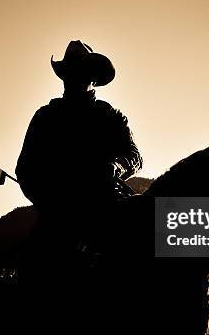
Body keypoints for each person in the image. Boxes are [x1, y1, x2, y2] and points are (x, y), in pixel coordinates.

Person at [16, 40, 142, 215]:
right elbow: (25, 170)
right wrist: (52, 202)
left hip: (107, 204)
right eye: (71, 70)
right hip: (59, 214)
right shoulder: (45, 117)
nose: (75, 76)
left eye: (81, 70)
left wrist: (115, 167)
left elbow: (134, 157)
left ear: (94, 77)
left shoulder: (111, 116)